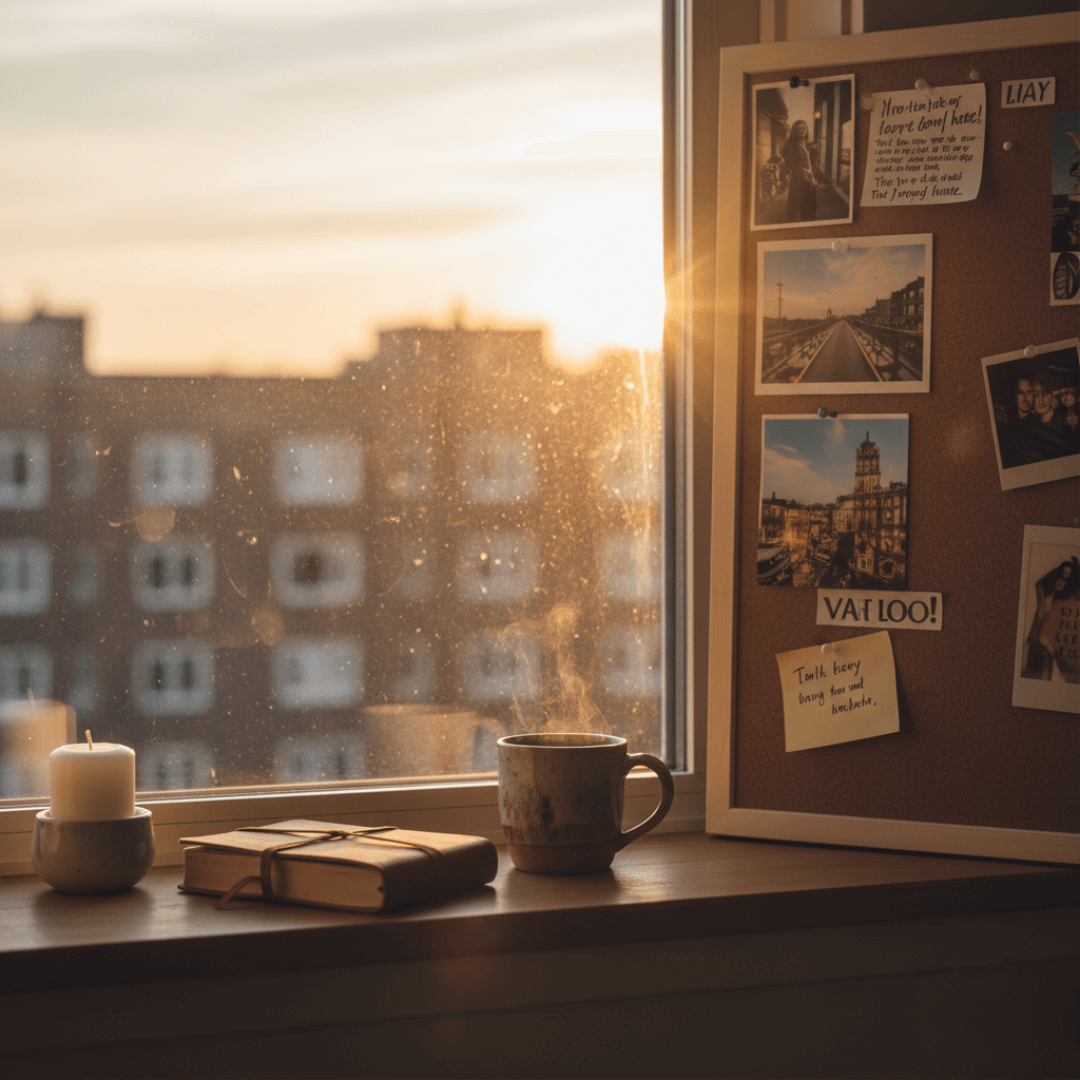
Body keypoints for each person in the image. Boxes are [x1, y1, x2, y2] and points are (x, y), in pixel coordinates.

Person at [1023, 557, 1080, 681]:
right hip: (1037, 643)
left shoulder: (1059, 600)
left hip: (1045, 646)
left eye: (1066, 578)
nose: (1062, 579)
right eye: (1062, 575)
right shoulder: (1047, 596)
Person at [781, 120, 822, 223]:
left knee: (811, 208)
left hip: (810, 182)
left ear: (807, 130)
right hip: (798, 181)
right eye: (799, 129)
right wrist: (807, 177)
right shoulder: (791, 146)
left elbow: (813, 164)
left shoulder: (809, 146)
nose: (802, 130)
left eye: (804, 128)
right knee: (797, 208)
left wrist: (815, 178)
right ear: (795, 131)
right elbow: (793, 166)